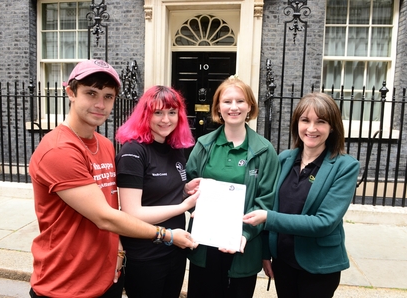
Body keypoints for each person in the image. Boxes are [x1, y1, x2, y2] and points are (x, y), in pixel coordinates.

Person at [28, 59, 195, 298]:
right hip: (65, 283)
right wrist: (166, 235)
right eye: (91, 93)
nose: (100, 104)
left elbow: (112, 207)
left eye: (108, 96)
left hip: (106, 278)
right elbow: (105, 217)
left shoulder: (105, 145)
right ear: (70, 93)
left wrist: (118, 252)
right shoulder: (59, 150)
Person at [243, 92, 360, 298]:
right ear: (297, 123)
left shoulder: (345, 166)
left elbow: (324, 222)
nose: (312, 128)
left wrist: (268, 218)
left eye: (321, 122)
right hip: (283, 262)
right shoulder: (284, 159)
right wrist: (265, 253)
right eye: (305, 120)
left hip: (318, 266)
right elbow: (269, 203)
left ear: (332, 127)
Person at [185, 75, 279, 298]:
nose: (233, 107)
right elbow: (188, 186)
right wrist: (191, 199)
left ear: (250, 106)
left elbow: (266, 200)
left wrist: (245, 233)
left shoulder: (265, 151)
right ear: (218, 107)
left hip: (243, 247)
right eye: (227, 101)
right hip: (204, 245)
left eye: (240, 101)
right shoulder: (203, 145)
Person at [115, 85, 201, 298]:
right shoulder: (133, 152)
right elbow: (132, 213)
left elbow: (160, 195)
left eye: (172, 112)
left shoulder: (175, 148)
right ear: (145, 115)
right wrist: (183, 206)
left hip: (176, 249)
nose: (166, 119)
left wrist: (185, 190)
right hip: (146, 254)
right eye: (158, 112)